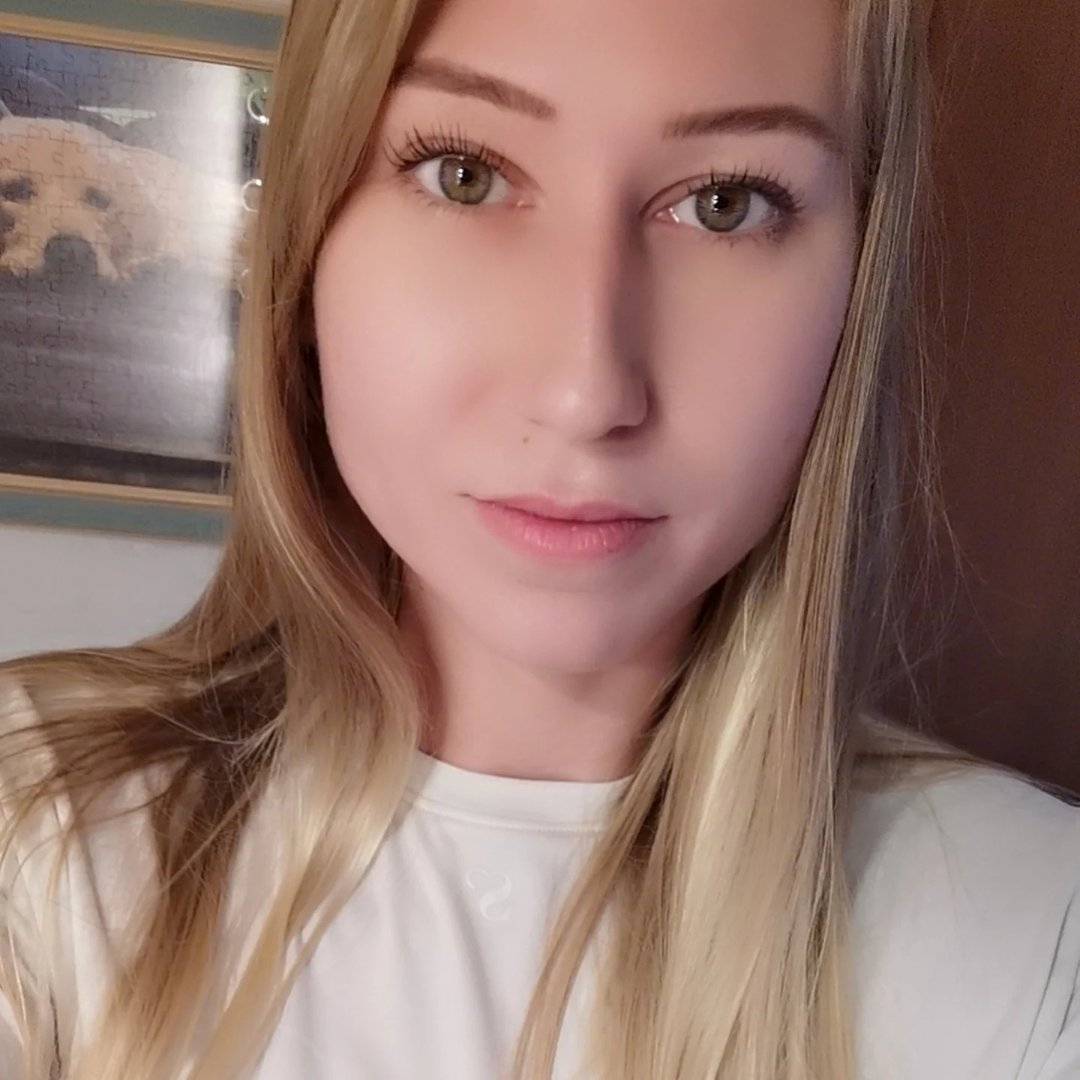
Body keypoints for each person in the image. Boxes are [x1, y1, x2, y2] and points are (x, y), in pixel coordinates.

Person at [1, 0, 1077, 1077]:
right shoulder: (32, 829)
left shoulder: (1034, 938)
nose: (585, 393)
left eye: (724, 203)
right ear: (308, 247)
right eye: (464, 174)